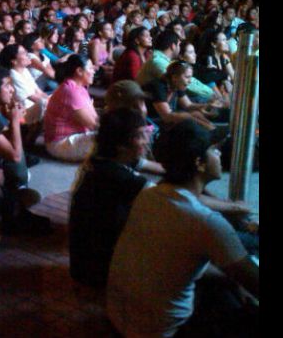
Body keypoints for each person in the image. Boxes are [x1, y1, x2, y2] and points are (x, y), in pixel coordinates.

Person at [107, 120, 259, 338]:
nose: (218, 155)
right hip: (160, 331)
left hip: (121, 318)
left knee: (227, 289)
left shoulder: (148, 196)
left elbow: (177, 262)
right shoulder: (206, 221)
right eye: (214, 150)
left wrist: (233, 279)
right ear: (199, 163)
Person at [69, 108, 151, 288]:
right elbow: (170, 198)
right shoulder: (120, 177)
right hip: (101, 273)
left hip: (83, 267)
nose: (146, 142)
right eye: (140, 136)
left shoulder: (101, 162)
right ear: (121, 144)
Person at [43, 55, 98, 162]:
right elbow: (93, 124)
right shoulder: (71, 91)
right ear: (79, 71)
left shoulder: (79, 87)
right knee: (113, 139)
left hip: (74, 137)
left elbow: (94, 118)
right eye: (91, 68)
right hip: (60, 144)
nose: (94, 71)